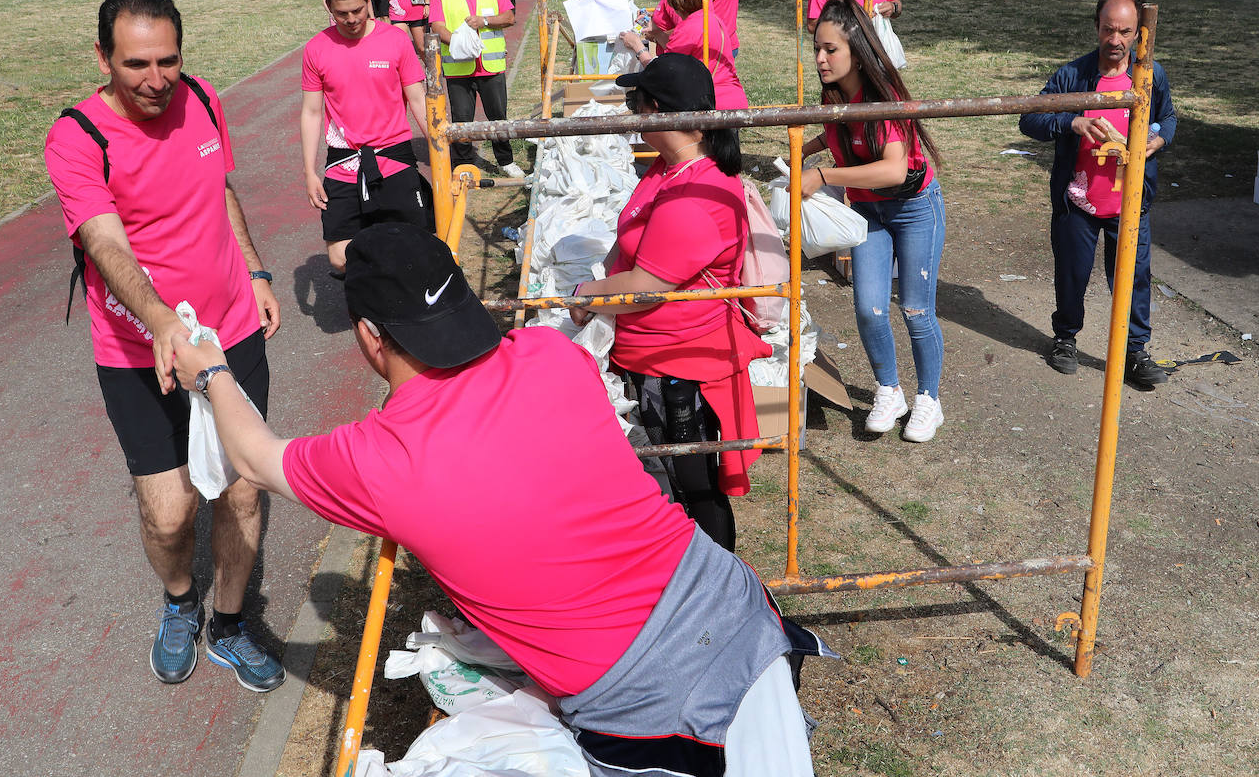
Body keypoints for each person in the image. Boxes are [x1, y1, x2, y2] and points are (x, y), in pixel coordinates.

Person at [170, 221, 820, 777]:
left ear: (369, 334)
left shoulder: (378, 459)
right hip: (739, 608)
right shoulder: (548, 352)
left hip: (660, 707)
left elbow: (254, 454)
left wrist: (213, 372)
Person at [43, 0, 285, 692]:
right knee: (170, 510)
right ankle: (181, 600)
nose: (156, 80)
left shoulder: (203, 98)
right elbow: (104, 242)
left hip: (232, 331)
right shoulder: (77, 137)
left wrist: (257, 268)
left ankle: (231, 625)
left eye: (168, 61)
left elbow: (220, 191)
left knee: (242, 494)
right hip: (137, 351)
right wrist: (161, 324)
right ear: (102, 58)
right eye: (136, 64)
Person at [571, 54, 771, 552]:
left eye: (635, 103)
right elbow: (634, 239)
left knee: (695, 492)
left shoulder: (696, 193)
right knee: (666, 488)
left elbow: (648, 287)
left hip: (681, 365)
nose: (631, 113)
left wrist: (585, 293)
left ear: (658, 109)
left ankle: (719, 584)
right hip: (656, 357)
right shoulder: (667, 169)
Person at [800, 0, 946, 442]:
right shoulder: (835, 94)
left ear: (857, 53)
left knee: (917, 309)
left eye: (831, 50)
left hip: (915, 207)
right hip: (867, 210)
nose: (821, 59)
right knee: (868, 308)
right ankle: (889, 390)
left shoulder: (886, 97)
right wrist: (802, 150)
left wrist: (823, 174)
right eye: (817, 49)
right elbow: (839, 129)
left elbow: (894, 169)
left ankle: (929, 399)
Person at [1019, 0, 1177, 388]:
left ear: (1139, 33)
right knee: (1071, 275)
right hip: (1079, 201)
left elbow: (1168, 118)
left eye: (1125, 32)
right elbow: (1029, 120)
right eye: (1108, 30)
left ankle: (1135, 352)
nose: (1116, 40)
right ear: (1096, 28)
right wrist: (1070, 122)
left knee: (1134, 278)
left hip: (1130, 203)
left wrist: (1157, 141)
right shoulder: (1072, 76)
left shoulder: (1150, 75)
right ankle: (1065, 339)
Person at [301, 0, 433, 276]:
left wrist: (441, 149)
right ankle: (378, 288)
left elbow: (417, 99)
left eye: (357, 10)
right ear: (328, 6)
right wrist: (308, 171)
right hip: (344, 163)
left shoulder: (395, 40)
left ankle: (394, 304)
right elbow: (311, 112)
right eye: (341, 13)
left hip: (394, 157)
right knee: (339, 259)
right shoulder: (316, 49)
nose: (350, 20)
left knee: (415, 247)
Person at [428, 0, 521, 177]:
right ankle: (463, 165)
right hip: (459, 67)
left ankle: (505, 161)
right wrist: (460, 43)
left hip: (490, 66)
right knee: (461, 121)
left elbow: (509, 17)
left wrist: (484, 21)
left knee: (498, 117)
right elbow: (437, 26)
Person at [618, 0, 747, 111]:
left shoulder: (686, 28)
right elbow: (680, 53)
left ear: (673, 2)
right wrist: (657, 32)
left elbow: (662, 73)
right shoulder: (712, 19)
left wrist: (637, 45)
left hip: (711, 102)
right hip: (733, 97)